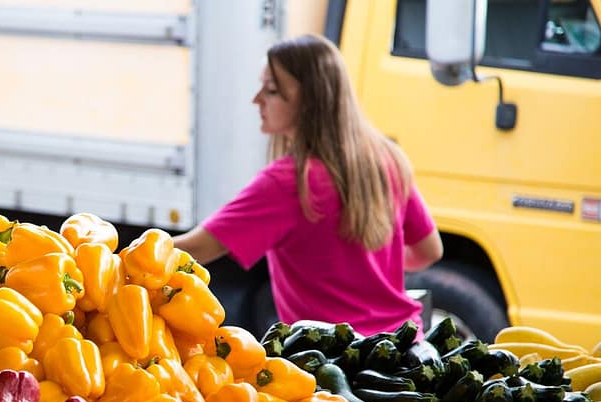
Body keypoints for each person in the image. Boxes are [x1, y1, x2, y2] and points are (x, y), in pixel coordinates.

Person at [173, 34, 443, 336]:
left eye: (272, 91)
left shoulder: (288, 182)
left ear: (309, 103)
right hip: (402, 348)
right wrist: (370, 269)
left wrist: (114, 251)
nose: (257, 99)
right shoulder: (386, 159)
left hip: (333, 360)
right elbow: (428, 251)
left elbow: (195, 249)